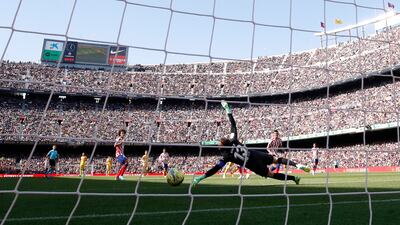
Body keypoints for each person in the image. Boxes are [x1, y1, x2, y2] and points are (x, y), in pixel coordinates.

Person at [193, 101, 310, 186]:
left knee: (271, 175)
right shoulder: (233, 140)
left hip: (253, 165)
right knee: (277, 160)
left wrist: (201, 177)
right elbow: (233, 125)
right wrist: (228, 110)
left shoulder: (226, 156)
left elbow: (215, 169)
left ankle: (294, 178)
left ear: (221, 148)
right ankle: (297, 165)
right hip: (256, 154)